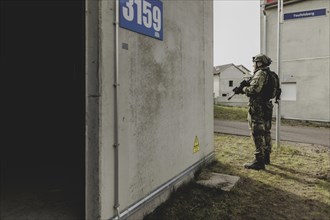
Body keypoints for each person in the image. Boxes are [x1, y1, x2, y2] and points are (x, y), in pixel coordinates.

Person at [240, 54, 276, 170]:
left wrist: (244, 89)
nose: (253, 65)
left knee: (257, 132)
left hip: (258, 107)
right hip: (267, 106)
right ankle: (266, 157)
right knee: (266, 132)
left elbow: (254, 90)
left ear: (259, 63)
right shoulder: (271, 74)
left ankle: (259, 161)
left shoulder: (260, 73)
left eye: (255, 62)